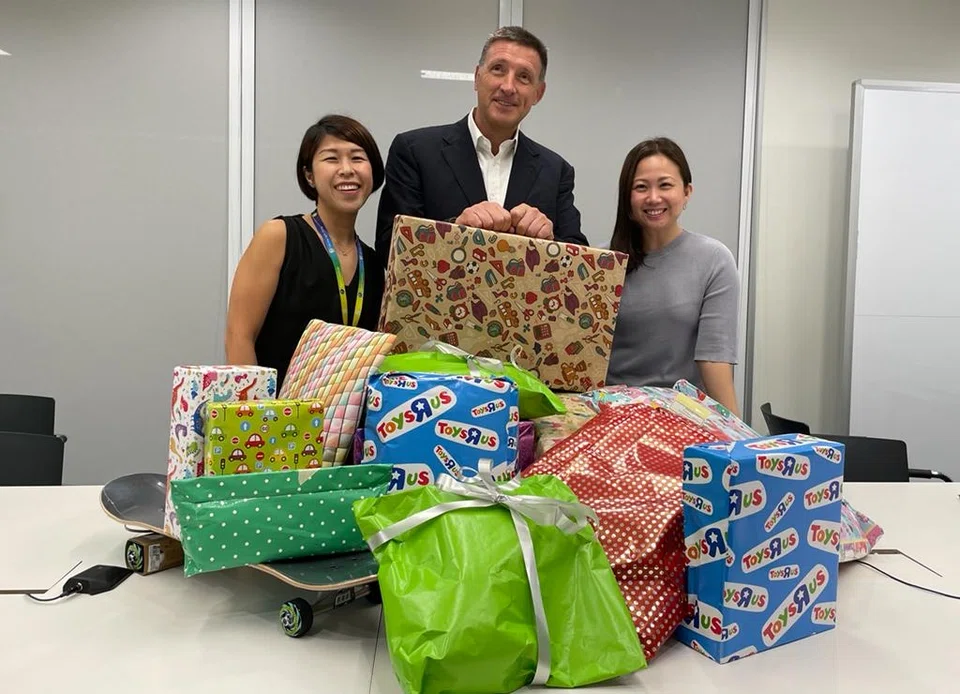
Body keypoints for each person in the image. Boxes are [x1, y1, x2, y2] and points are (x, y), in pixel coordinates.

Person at [375, 25, 588, 260]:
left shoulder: (556, 171)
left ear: (539, 93)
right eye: (498, 69)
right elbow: (388, 246)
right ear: (477, 77)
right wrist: (455, 228)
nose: (508, 87)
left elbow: (580, 258)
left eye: (524, 77)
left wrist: (549, 241)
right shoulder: (415, 151)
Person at [225, 114, 386, 390]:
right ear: (309, 175)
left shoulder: (374, 264)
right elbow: (239, 336)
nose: (347, 169)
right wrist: (257, 419)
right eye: (332, 158)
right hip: (277, 421)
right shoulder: (279, 236)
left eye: (357, 158)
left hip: (344, 424)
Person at [606, 137, 740, 415]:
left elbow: (714, 359)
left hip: (682, 420)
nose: (654, 198)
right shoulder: (602, 265)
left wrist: (738, 437)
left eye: (665, 185)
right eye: (641, 187)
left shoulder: (714, 259)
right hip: (609, 418)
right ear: (627, 197)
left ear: (687, 192)